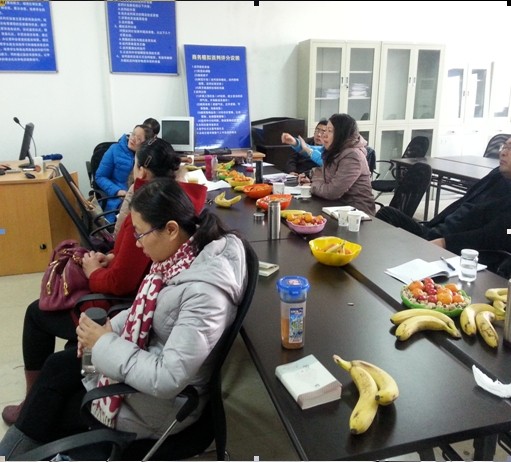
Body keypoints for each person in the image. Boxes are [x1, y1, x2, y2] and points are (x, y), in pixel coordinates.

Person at [0, 177, 247, 459]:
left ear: (170, 229)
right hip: (144, 367)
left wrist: (103, 342)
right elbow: (146, 308)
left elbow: (168, 378)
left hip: (161, 405)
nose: (137, 244)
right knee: (57, 367)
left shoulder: (204, 294)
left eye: (140, 234)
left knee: (50, 411)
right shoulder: (180, 257)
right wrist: (108, 329)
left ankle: (12, 454)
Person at [1, 138, 184, 427]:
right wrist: (112, 257)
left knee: (36, 315)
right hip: (131, 304)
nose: (138, 241)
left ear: (142, 171)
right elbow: (132, 262)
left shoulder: (147, 212)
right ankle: (36, 400)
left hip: (118, 305)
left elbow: (121, 282)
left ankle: (30, 403)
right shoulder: (172, 201)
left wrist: (92, 271)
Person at [375, 137, 511, 262]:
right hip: (435, 232)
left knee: (394, 248)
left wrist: (445, 242)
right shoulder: (496, 175)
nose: (503, 152)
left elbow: (499, 235)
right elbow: (462, 204)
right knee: (387, 214)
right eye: (504, 146)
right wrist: (431, 228)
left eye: (510, 149)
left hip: (455, 248)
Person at [297, 113, 376, 216]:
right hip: (336, 207)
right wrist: (310, 178)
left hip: (356, 214)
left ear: (341, 134)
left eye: (330, 131)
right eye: (325, 130)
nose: (324, 135)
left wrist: (312, 185)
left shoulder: (353, 156)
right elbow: (326, 175)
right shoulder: (336, 150)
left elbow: (332, 192)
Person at [95, 123, 155, 221]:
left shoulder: (147, 157)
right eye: (133, 134)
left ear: (145, 144)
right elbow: (100, 176)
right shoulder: (115, 149)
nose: (133, 139)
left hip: (139, 198)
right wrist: (117, 191)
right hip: (117, 199)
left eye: (139, 139)